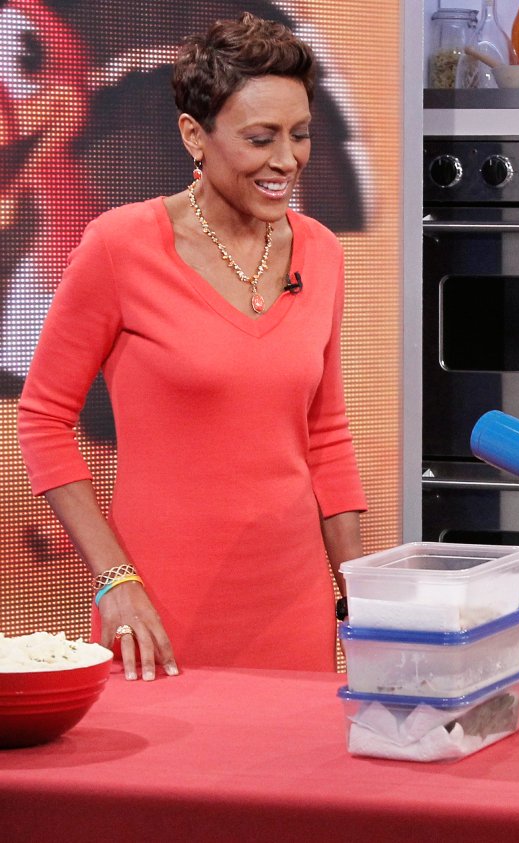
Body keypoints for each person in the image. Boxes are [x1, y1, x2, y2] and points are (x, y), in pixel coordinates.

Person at [17, 13, 366, 681]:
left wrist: (356, 590)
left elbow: (326, 434)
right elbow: (42, 419)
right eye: (260, 139)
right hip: (158, 610)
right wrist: (113, 579)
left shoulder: (321, 251)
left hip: (293, 608)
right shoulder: (119, 247)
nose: (286, 161)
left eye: (300, 136)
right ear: (193, 137)